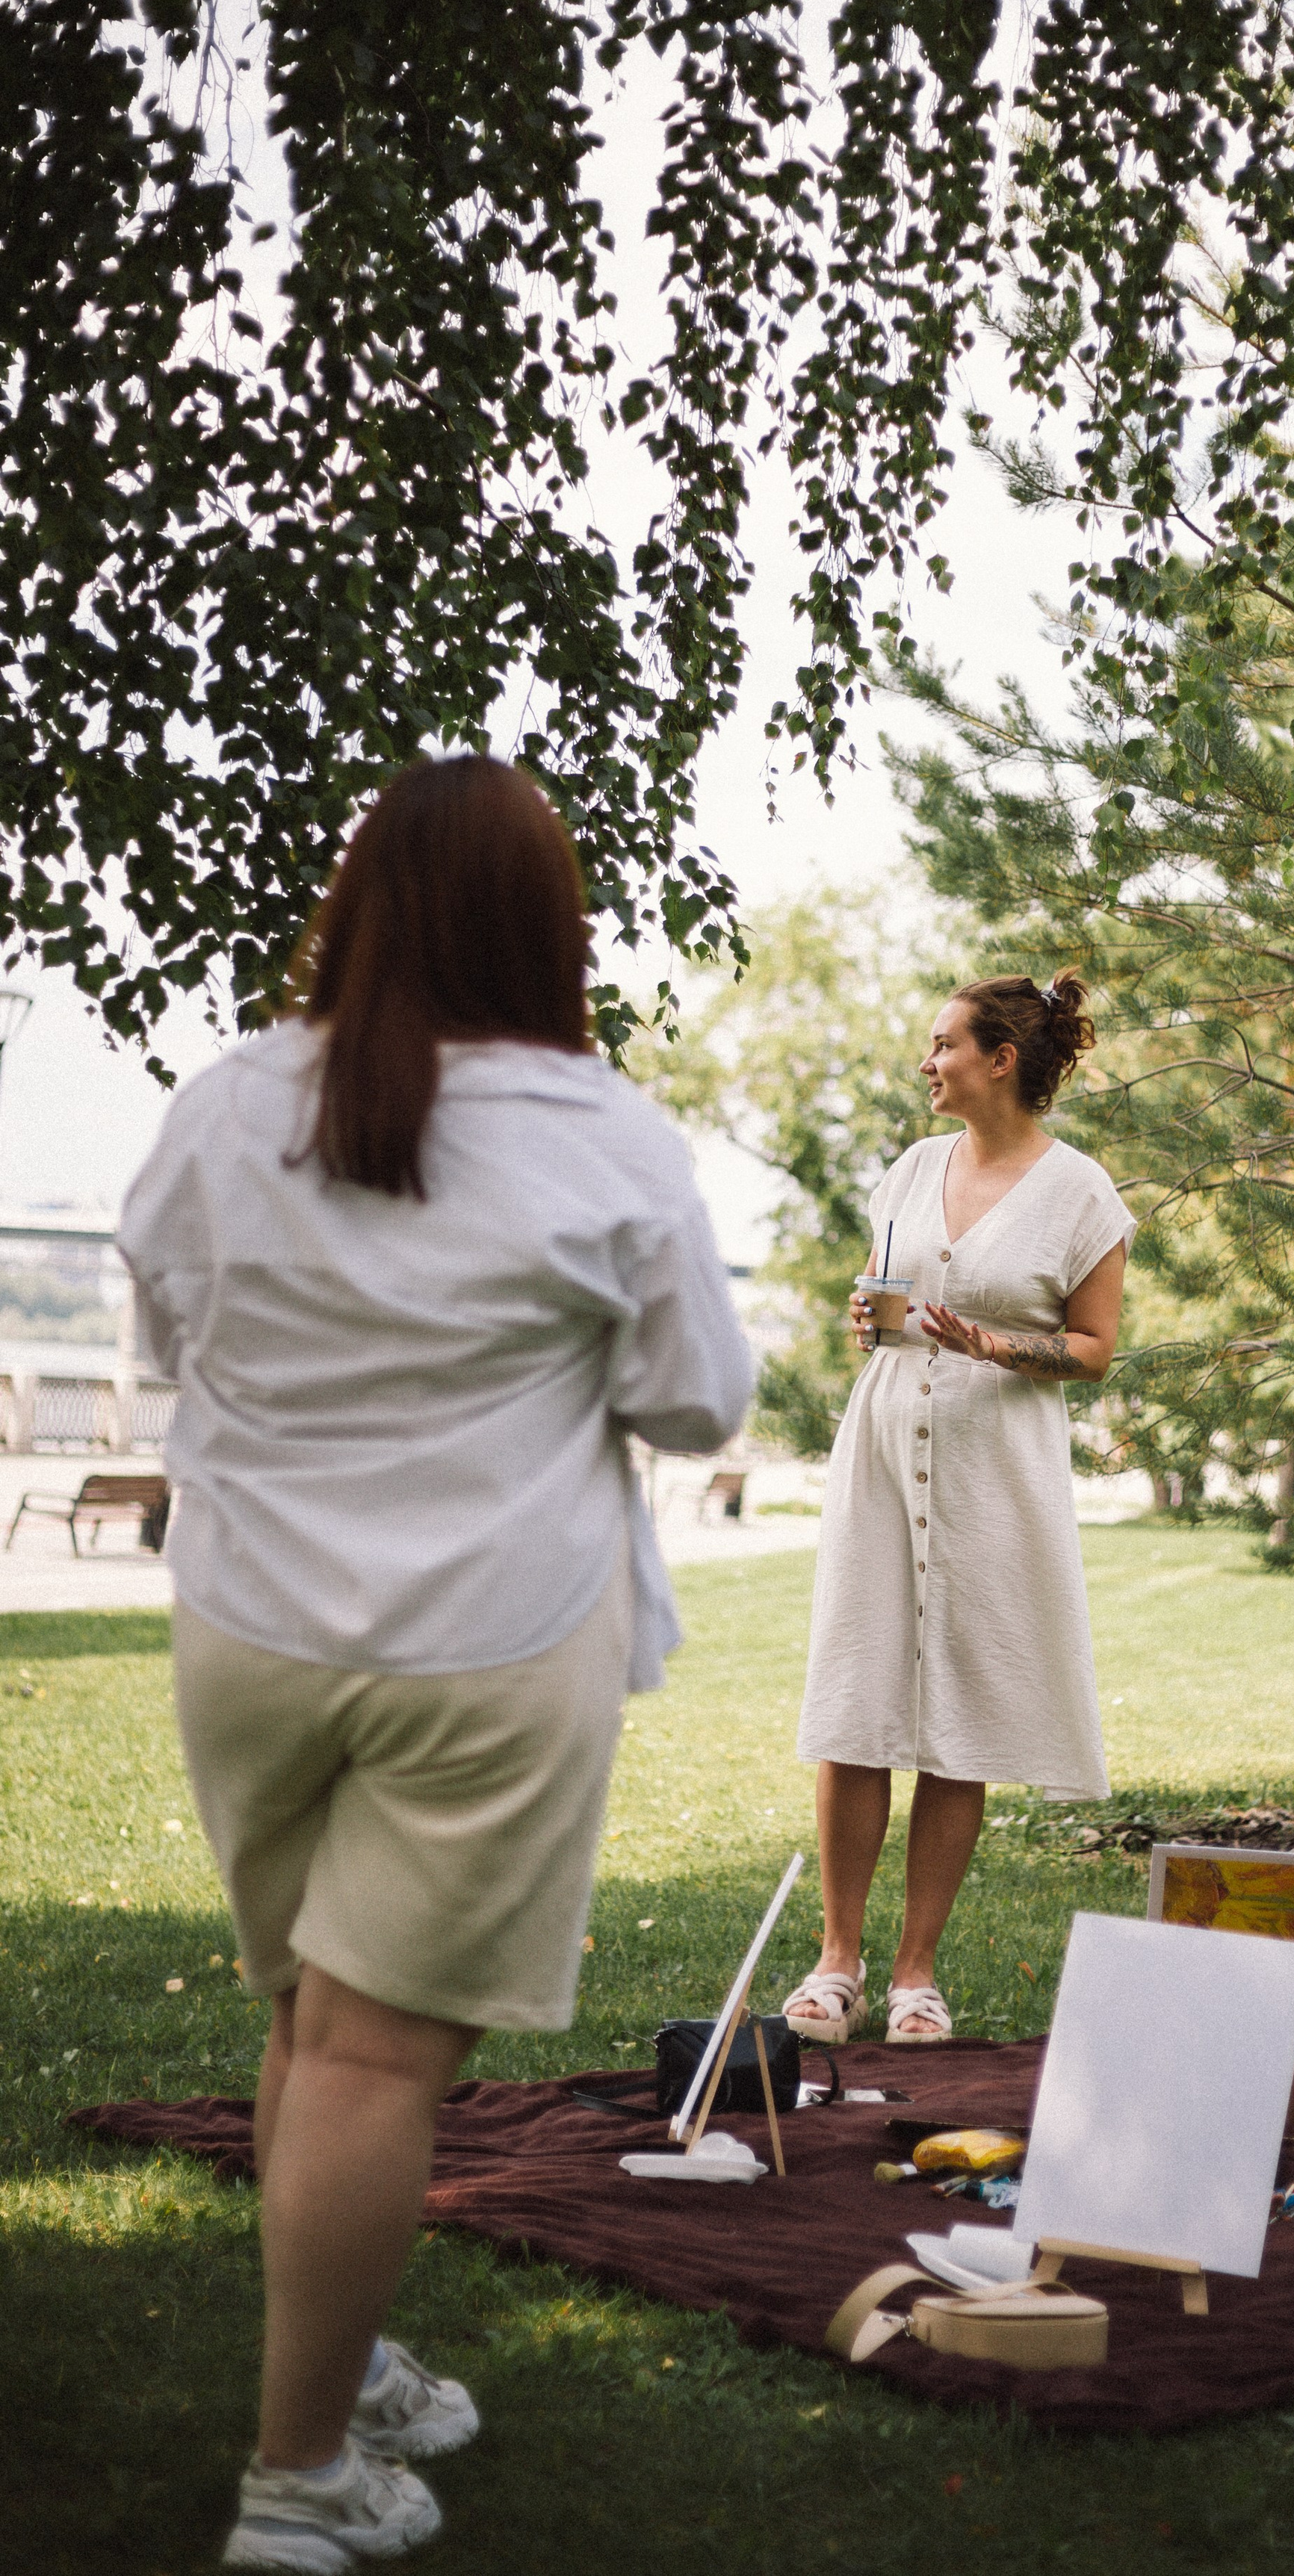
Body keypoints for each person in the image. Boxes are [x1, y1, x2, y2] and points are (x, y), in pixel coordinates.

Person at [119, 756, 752, 2575]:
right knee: (370, 2059)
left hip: (250, 1632)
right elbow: (695, 1398)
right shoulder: (602, 1133)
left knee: (308, 2025)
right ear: (551, 931)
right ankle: (301, 2476)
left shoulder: (227, 1102)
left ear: (359, 906)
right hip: (489, 1642)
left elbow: (165, 1331)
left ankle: (337, 2368)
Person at [784, 972, 1136, 2046]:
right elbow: (882, 1294)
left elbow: (1093, 1349)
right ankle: (835, 1964)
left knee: (961, 1719)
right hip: (885, 1453)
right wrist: (866, 1316)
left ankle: (914, 1977)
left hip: (994, 1470)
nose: (927, 1062)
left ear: (1001, 1060)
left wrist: (995, 1344)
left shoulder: (1082, 1195)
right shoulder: (910, 1169)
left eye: (944, 1045)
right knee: (857, 1698)